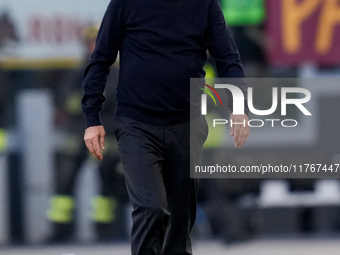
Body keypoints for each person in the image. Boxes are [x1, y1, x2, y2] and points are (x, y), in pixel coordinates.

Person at [82, 0, 250, 254]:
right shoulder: (125, 4)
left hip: (187, 126)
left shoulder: (204, 5)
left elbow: (228, 59)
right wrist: (91, 119)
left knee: (179, 222)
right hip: (137, 125)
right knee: (151, 208)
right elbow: (100, 59)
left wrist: (238, 107)